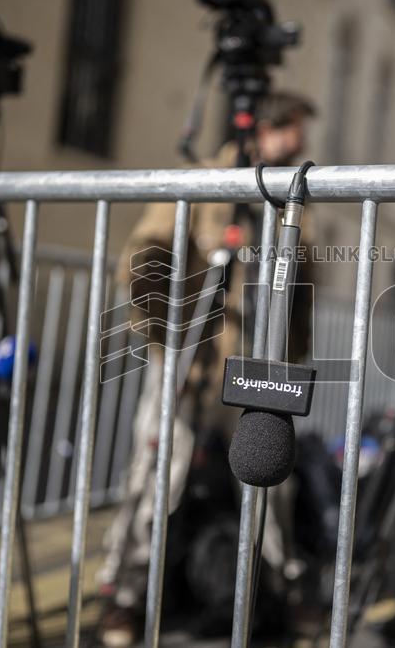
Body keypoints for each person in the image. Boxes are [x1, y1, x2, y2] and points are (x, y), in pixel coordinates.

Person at [96, 91, 316, 647]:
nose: (301, 146)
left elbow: (301, 295)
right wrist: (167, 337)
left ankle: (280, 589)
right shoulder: (204, 183)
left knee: (271, 483)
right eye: (294, 132)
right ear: (264, 130)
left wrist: (291, 365)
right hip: (191, 365)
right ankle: (122, 594)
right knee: (156, 479)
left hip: (256, 369)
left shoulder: (293, 199)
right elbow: (143, 255)